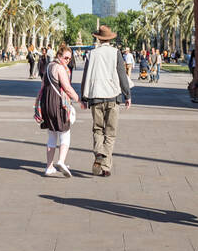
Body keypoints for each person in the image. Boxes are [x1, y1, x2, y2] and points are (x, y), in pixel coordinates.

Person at [80, 25, 131, 176]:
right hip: (113, 97)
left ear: (98, 38)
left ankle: (98, 153)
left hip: (96, 96)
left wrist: (84, 97)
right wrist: (127, 95)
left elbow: (85, 76)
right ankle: (106, 166)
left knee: (97, 129)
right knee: (110, 132)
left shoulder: (91, 54)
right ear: (110, 38)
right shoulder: (116, 53)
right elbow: (122, 76)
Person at [35, 45, 78, 177]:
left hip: (47, 103)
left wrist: (38, 105)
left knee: (52, 135)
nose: (67, 60)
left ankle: (49, 167)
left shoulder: (49, 66)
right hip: (58, 104)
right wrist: (79, 100)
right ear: (59, 55)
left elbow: (42, 85)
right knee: (65, 133)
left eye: (69, 59)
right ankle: (61, 161)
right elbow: (67, 87)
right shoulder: (60, 68)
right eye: (66, 57)